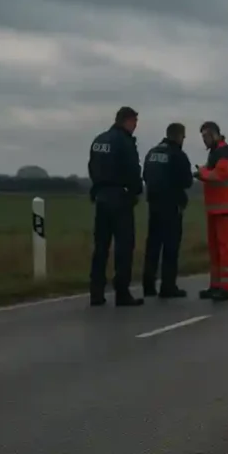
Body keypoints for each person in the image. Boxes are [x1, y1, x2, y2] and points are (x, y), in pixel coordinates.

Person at [88, 106, 144, 307]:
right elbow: (132, 170)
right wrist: (135, 191)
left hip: (102, 197)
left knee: (101, 247)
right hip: (120, 198)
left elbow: (92, 167)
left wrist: (97, 188)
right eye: (134, 122)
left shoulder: (99, 140)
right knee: (124, 247)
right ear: (127, 121)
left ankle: (96, 291)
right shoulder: (124, 141)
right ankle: (122, 292)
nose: (135, 127)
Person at [142, 122, 194, 298]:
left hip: (154, 205)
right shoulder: (177, 154)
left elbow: (145, 176)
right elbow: (187, 181)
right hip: (171, 206)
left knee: (153, 246)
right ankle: (168, 286)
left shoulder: (152, 152)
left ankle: (148, 285)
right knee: (170, 248)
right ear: (179, 136)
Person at [194, 121, 228, 301]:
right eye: (202, 137)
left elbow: (220, 174)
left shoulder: (224, 152)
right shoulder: (215, 152)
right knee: (215, 250)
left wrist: (202, 174)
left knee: (225, 249)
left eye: (206, 136)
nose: (204, 140)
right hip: (214, 209)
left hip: (224, 208)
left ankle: (227, 287)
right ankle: (216, 285)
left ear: (214, 134)